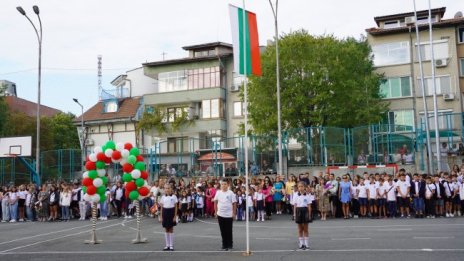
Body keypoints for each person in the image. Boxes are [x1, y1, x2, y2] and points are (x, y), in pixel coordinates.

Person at [214, 179, 237, 251]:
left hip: (229, 215)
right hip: (220, 214)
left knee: (229, 230)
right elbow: (215, 202)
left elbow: (234, 203)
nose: (223, 186)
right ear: (220, 185)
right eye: (222, 184)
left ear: (228, 185)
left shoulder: (231, 193)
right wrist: (216, 212)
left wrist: (233, 213)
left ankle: (230, 245)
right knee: (222, 230)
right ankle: (224, 245)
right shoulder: (218, 193)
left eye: (225, 184)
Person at [293, 182, 311, 250]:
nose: (300, 188)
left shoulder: (307, 195)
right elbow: (295, 205)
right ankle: (301, 243)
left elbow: (309, 206)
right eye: (299, 186)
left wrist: (309, 215)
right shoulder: (296, 195)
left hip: (305, 211)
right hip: (298, 211)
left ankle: (306, 244)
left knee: (306, 229)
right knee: (300, 229)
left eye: (302, 186)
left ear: (304, 187)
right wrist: (294, 215)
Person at [160, 184, 178, 251]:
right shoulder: (163, 197)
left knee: (171, 229)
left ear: (171, 189)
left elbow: (176, 207)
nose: (167, 189)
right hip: (165, 213)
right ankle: (167, 245)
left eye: (168, 188)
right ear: (164, 189)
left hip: (171, 212)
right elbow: (161, 207)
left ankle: (171, 245)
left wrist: (175, 216)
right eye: (165, 188)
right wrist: (161, 216)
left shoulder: (174, 197)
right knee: (166, 229)